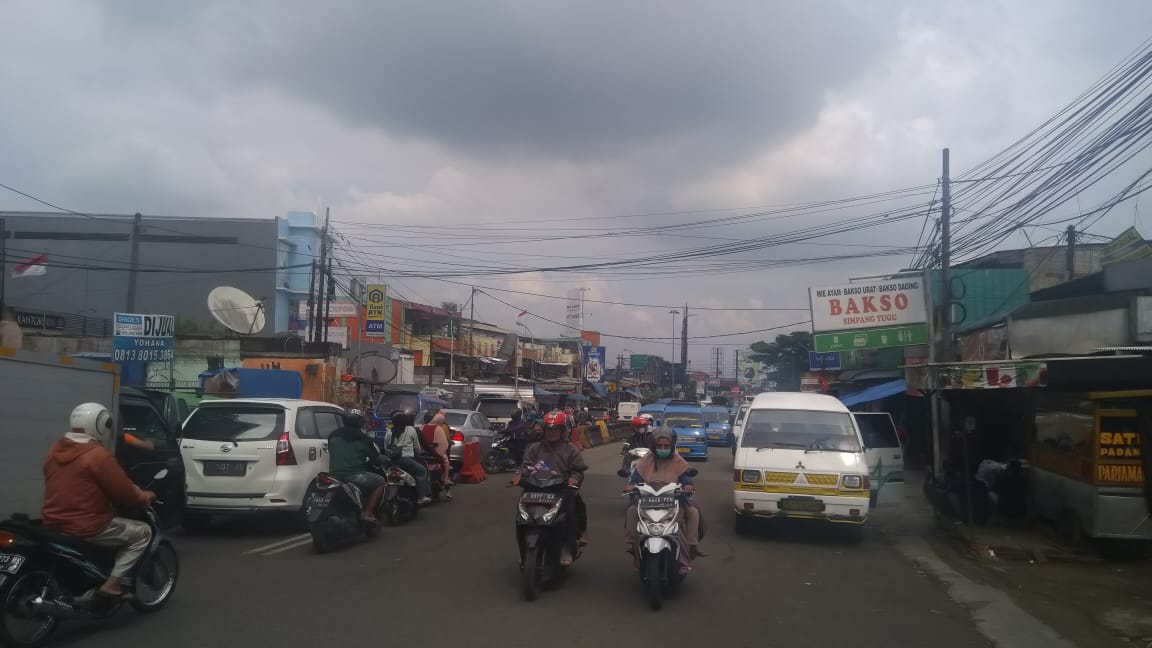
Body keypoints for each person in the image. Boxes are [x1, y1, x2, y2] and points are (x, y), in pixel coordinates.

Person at [42, 403, 156, 602]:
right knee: (142, 533)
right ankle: (112, 584)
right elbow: (124, 493)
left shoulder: (54, 449)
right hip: (88, 526)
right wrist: (143, 497)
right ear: (103, 425)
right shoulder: (98, 455)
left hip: (52, 521)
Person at [510, 410, 588, 565]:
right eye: (549, 429)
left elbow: (578, 469)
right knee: (520, 518)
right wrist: (519, 475)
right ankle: (523, 550)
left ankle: (567, 546)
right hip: (535, 488)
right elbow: (525, 466)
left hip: (561, 489)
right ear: (544, 430)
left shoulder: (571, 449)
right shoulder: (534, 448)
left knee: (573, 508)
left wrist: (573, 479)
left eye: (556, 429)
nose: (552, 433)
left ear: (563, 431)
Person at [624, 428, 705, 575]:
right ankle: (634, 548)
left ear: (671, 445)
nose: (663, 449)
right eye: (659, 446)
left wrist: (687, 485)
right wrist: (631, 485)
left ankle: (688, 555)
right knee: (631, 511)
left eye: (666, 446)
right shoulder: (646, 460)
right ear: (654, 446)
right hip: (648, 501)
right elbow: (636, 477)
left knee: (688, 516)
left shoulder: (678, 460)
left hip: (673, 501)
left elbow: (686, 476)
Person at [327, 409, 388, 524]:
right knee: (380, 482)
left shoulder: (333, 435)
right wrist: (385, 460)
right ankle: (368, 514)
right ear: (360, 422)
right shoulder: (363, 438)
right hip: (354, 475)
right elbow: (376, 458)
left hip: (334, 476)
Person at [383, 411, 432, 505]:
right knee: (422, 471)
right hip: (407, 460)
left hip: (391, 461)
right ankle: (421, 497)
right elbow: (417, 447)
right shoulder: (411, 430)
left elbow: (386, 447)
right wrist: (417, 455)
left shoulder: (389, 432)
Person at [421, 410, 455, 501]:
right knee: (446, 465)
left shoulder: (421, 427)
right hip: (436, 455)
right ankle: (447, 488)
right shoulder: (440, 428)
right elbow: (444, 445)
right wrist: (439, 453)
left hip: (423, 454)